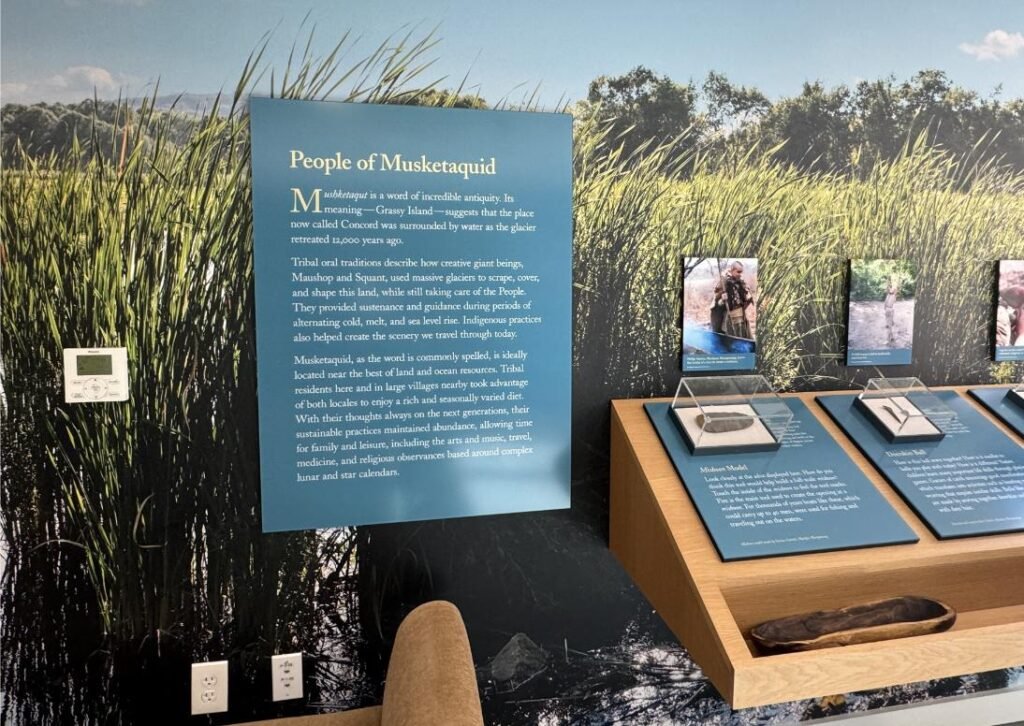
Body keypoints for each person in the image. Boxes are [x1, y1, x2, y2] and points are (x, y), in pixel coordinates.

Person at [712, 260, 754, 340]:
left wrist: (748, 297)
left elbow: (745, 297)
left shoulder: (741, 281)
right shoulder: (724, 282)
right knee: (733, 341)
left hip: (742, 316)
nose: (740, 274)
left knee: (745, 339)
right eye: (738, 272)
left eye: (741, 272)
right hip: (730, 318)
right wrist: (722, 299)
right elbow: (717, 303)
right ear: (732, 270)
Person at [884, 275, 898, 347]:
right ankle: (891, 337)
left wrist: (892, 282)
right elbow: (887, 289)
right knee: (888, 325)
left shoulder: (893, 295)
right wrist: (887, 281)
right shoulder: (888, 295)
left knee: (889, 326)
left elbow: (894, 289)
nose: (891, 289)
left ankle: (888, 340)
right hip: (887, 310)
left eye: (892, 289)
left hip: (890, 310)